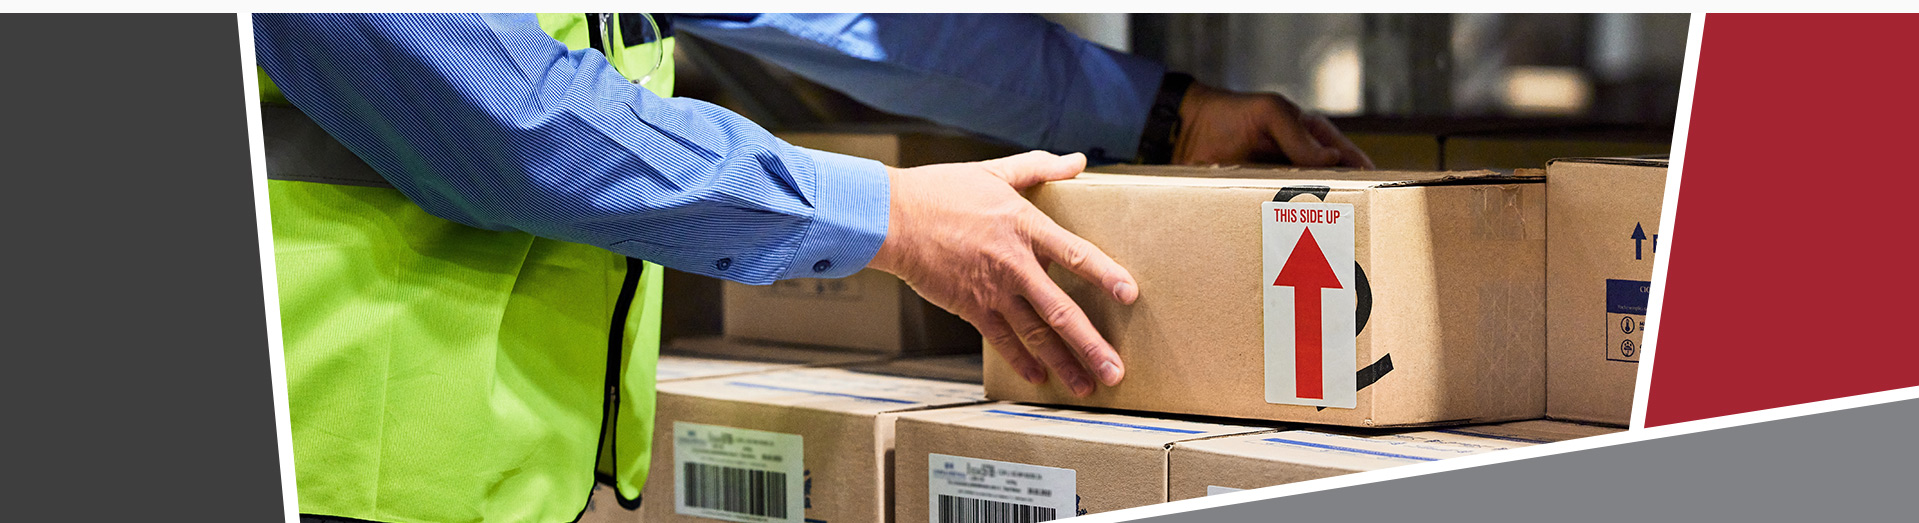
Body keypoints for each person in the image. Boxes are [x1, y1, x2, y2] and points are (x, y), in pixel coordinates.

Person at [256, 13, 1371, 523]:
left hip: (499, 481)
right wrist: (888, 217)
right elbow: (523, 127)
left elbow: (837, 20)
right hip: (317, 470)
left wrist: (1162, 113)